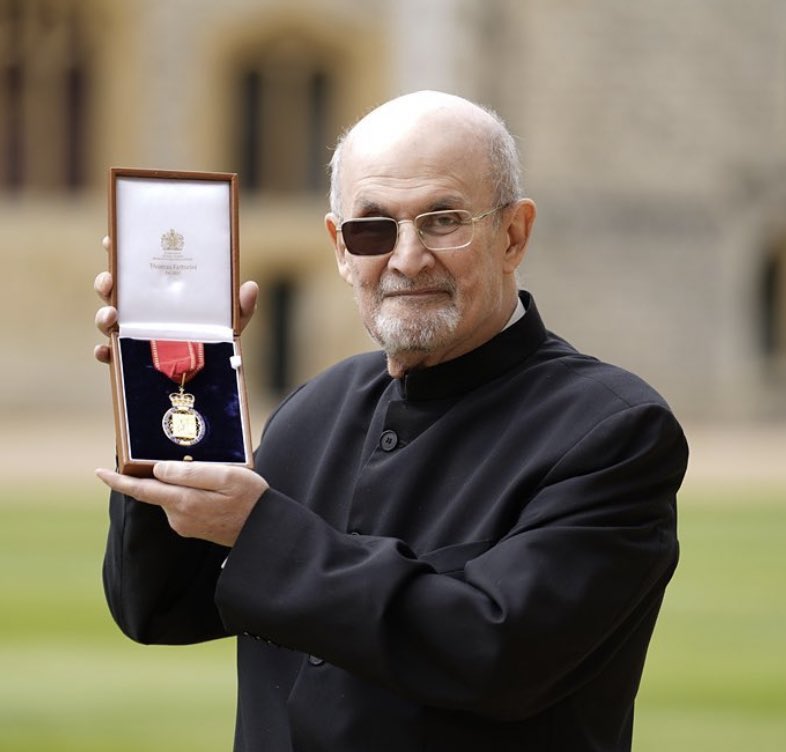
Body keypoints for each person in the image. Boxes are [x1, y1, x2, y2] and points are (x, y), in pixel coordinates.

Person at [94, 90, 688, 752]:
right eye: (371, 228)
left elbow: (497, 653)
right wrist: (171, 387)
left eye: (441, 220)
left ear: (514, 233)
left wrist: (262, 530)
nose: (406, 258)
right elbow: (161, 607)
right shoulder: (315, 407)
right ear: (340, 247)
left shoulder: (614, 430)